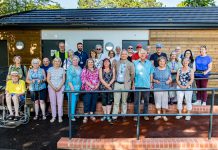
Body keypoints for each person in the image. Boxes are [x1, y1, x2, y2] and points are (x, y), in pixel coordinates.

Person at [112, 49, 135, 121]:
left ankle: (123, 115)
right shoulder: (116, 63)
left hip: (125, 85)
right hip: (117, 84)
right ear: (120, 55)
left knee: (124, 101)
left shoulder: (130, 64)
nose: (123, 55)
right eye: (122, 54)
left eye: (125, 54)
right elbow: (114, 72)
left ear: (127, 55)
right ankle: (114, 117)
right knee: (116, 101)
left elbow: (132, 75)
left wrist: (129, 82)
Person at [133, 49, 154, 121]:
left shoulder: (149, 63)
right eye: (141, 53)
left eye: (144, 53)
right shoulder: (135, 63)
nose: (142, 55)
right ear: (139, 54)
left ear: (146, 55)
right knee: (136, 101)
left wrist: (151, 83)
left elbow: (151, 74)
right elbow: (133, 74)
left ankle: (145, 115)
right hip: (137, 84)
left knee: (146, 101)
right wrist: (133, 84)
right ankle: (136, 115)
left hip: (146, 85)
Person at [153, 56, 172, 121]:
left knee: (164, 101)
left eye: (163, 61)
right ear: (158, 62)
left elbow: (170, 79)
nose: (161, 62)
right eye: (160, 61)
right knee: (157, 101)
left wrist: (169, 81)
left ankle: (164, 115)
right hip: (157, 87)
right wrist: (155, 81)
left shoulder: (167, 69)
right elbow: (151, 78)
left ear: (165, 62)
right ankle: (158, 114)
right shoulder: (155, 69)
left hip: (165, 87)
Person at [81, 58, 100, 123]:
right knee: (87, 102)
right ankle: (85, 116)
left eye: (91, 62)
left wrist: (97, 85)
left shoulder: (96, 69)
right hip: (87, 89)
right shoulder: (84, 70)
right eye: (89, 62)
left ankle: (91, 115)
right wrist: (90, 85)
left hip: (95, 89)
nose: (90, 63)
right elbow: (83, 79)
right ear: (87, 63)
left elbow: (99, 78)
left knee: (94, 102)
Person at [47, 57, 65, 123]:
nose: (57, 62)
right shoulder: (50, 69)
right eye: (55, 61)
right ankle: (53, 116)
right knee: (53, 102)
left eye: (58, 61)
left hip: (60, 87)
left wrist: (59, 86)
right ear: (53, 62)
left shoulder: (62, 69)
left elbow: (63, 79)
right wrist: (53, 87)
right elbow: (48, 79)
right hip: (51, 87)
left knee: (60, 103)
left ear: (60, 63)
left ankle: (60, 116)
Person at [65, 55, 82, 121]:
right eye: (74, 60)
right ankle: (71, 116)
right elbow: (69, 80)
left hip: (78, 88)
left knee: (75, 102)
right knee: (72, 102)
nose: (75, 61)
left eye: (76, 60)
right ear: (72, 61)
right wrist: (72, 89)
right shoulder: (70, 68)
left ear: (78, 61)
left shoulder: (80, 68)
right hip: (71, 88)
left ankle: (74, 113)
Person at [99, 58, 115, 122]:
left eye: (107, 62)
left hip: (110, 87)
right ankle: (105, 115)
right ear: (103, 63)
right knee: (104, 101)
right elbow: (101, 78)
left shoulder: (112, 69)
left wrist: (109, 85)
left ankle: (108, 115)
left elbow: (113, 78)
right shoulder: (101, 69)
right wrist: (107, 85)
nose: (106, 63)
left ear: (109, 63)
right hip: (103, 87)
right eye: (104, 62)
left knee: (109, 101)